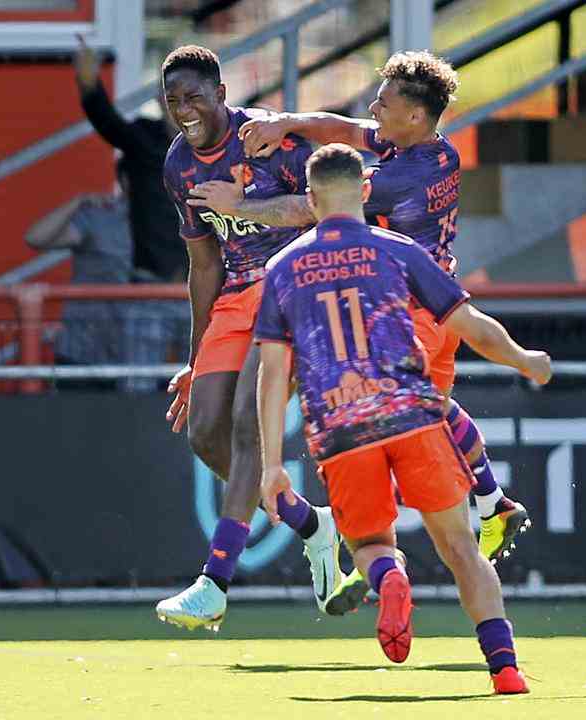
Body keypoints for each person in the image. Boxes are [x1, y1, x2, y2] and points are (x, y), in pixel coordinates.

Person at [237, 50, 530, 611]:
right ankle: (486, 504)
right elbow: (346, 129)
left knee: (390, 416)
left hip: (409, 309)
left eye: (385, 102)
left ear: (414, 116)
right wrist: (289, 122)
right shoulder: (432, 149)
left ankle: (385, 555)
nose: (374, 109)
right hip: (438, 296)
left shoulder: (398, 177)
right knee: (428, 414)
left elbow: (317, 207)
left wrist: (241, 206)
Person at [256, 143, 547, 693]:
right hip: (413, 413)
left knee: (367, 544)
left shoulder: (281, 268)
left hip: (340, 428)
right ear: (365, 191)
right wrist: (525, 360)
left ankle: (388, 577)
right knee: (461, 546)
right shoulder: (401, 250)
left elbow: (273, 374)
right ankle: (504, 667)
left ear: (310, 200)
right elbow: (473, 325)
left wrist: (272, 463)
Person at [153, 45, 340, 631]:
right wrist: (195, 357)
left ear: (221, 95)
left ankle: (214, 583)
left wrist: (247, 205)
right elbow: (203, 264)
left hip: (293, 287)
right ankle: (315, 525)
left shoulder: (265, 138)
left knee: (244, 425)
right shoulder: (178, 165)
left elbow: (322, 207)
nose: (185, 109)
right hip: (236, 297)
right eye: (173, 99)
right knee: (206, 433)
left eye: (195, 96)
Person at [73, 34, 183, 283]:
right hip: (149, 278)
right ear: (159, 99)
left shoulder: (215, 146)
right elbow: (107, 122)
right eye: (170, 95)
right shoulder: (144, 137)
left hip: (199, 284)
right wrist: (88, 84)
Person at [25, 168, 133, 386]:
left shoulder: (176, 221)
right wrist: (78, 202)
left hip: (140, 351)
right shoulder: (99, 217)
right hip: (82, 346)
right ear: (124, 180)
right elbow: (35, 237)